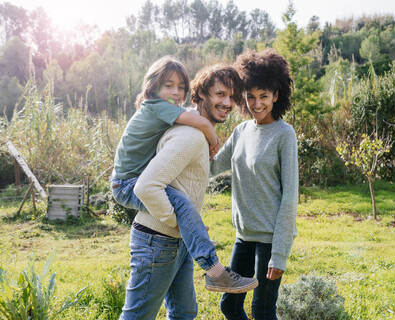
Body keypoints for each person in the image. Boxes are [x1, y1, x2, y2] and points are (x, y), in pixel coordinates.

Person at [119, 64, 258, 320]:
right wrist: (180, 223)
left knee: (184, 313)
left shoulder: (187, 126)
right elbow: (146, 186)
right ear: (202, 94)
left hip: (174, 241)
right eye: (220, 94)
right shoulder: (191, 135)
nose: (227, 102)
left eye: (231, 96)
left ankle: (214, 271)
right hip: (158, 240)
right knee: (137, 316)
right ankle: (216, 272)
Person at [210, 48, 299, 320]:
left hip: (270, 240)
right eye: (250, 96)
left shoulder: (284, 135)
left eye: (263, 96)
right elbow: (213, 167)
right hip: (243, 237)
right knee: (230, 305)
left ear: (276, 95)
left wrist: (280, 254)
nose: (256, 104)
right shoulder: (241, 131)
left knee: (262, 311)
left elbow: (290, 197)